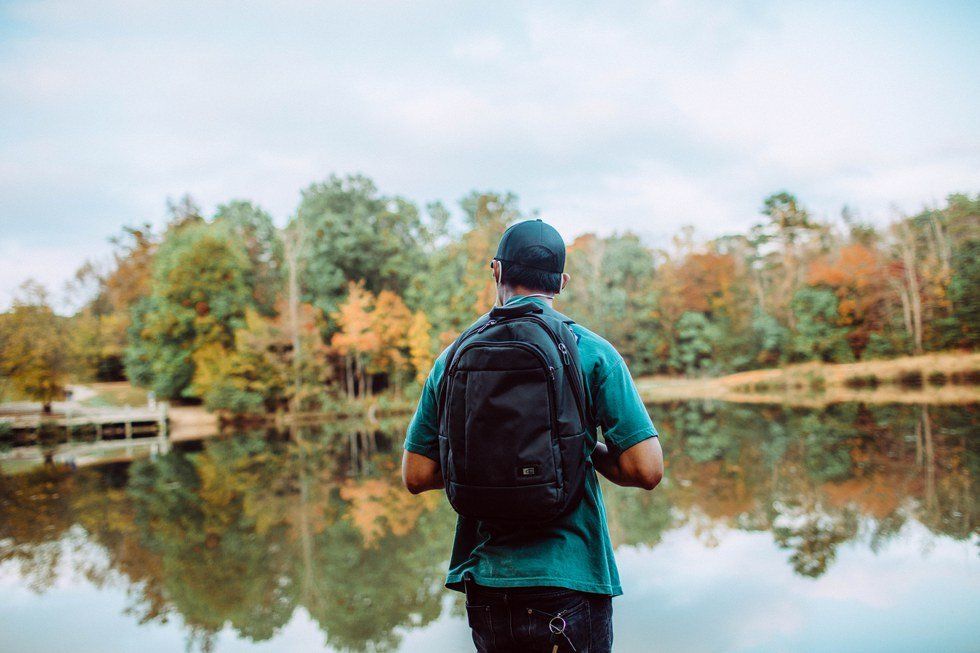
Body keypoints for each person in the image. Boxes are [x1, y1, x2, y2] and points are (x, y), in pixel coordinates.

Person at [402, 219, 664, 652]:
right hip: (569, 581)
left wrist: (486, 458)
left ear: (496, 271)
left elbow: (416, 474)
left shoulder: (452, 357)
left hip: (488, 585)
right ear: (561, 282)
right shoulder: (592, 351)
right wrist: (579, 446)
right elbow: (646, 469)